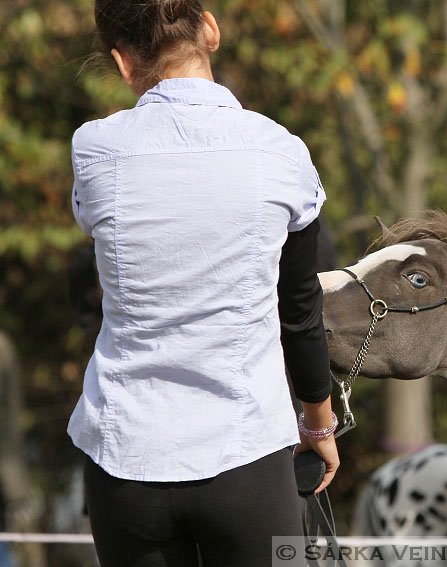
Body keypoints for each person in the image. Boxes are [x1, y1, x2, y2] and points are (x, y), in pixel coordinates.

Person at [67, 2, 338, 565]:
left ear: (121, 62)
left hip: (125, 456)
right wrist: (318, 420)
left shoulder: (93, 149)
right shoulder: (281, 151)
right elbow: (300, 306)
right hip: (246, 455)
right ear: (210, 29)